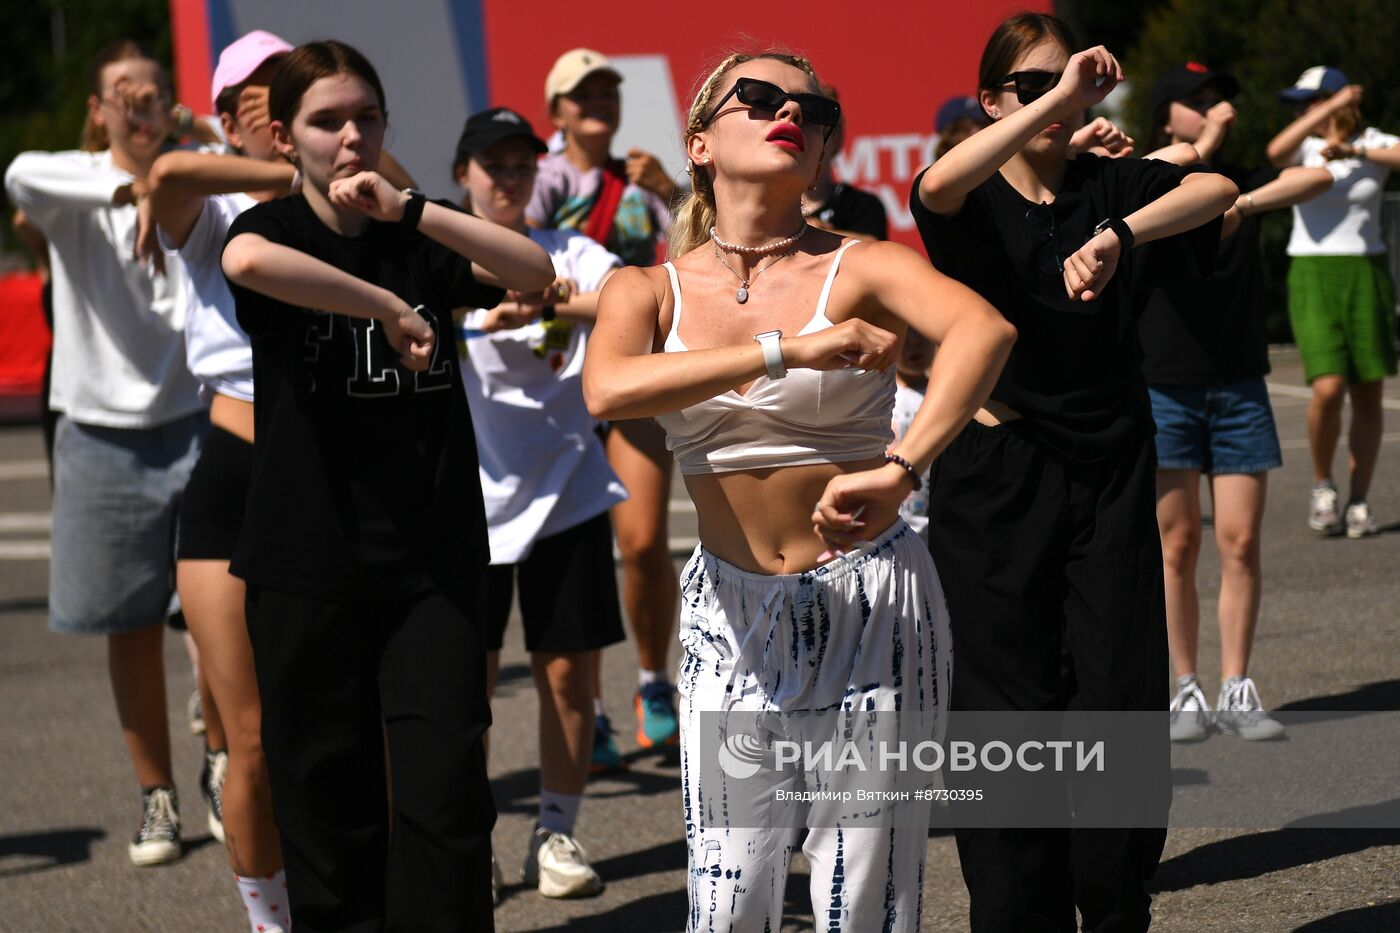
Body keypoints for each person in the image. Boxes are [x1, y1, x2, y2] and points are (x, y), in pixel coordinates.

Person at [583, 50, 1015, 931]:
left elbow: (983, 330)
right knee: (730, 890)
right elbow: (609, 389)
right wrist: (786, 349)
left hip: (873, 605)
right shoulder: (643, 288)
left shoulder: (861, 264)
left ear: (822, 157)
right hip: (728, 617)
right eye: (762, 97)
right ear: (699, 142)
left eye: (815, 112)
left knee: (863, 892)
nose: (793, 113)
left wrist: (902, 470)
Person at [911, 13, 1237, 932]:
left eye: (1072, 84)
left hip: (1110, 467)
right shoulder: (969, 197)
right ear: (991, 102)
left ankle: (1114, 893)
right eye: (1031, 86)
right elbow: (934, 185)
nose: (1058, 102)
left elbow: (1213, 186)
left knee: (1118, 693)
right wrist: (1060, 99)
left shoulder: (1106, 183)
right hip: (998, 475)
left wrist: (1119, 234)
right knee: (1005, 710)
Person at [220, 40, 554, 931]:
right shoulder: (269, 231)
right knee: (329, 808)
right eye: (326, 121)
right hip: (306, 562)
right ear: (286, 140)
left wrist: (412, 211)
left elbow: (534, 273)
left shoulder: (420, 236)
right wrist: (386, 306)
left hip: (431, 566)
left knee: (445, 792)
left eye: (366, 117)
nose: (351, 137)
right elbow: (250, 270)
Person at [5, 39, 207, 868]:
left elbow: (262, 172)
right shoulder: (68, 188)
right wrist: (143, 182)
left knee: (214, 609)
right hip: (97, 430)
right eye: (119, 92)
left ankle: (225, 762)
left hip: (199, 417)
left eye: (152, 91)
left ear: (172, 103)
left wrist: (184, 153)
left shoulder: (204, 172)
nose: (137, 103)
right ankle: (156, 795)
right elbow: (18, 172)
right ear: (97, 111)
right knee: (128, 626)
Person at [450, 106, 627, 900]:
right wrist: (485, 304)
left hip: (571, 491)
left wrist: (551, 303)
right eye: (493, 166)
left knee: (567, 678)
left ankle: (556, 831)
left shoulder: (571, 253)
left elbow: (633, 300)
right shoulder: (442, 257)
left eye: (522, 166)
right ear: (463, 175)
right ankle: (468, 837)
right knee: (466, 685)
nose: (508, 180)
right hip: (469, 502)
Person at [148, 29, 299, 929]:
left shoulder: (350, 191)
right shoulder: (210, 206)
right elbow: (164, 180)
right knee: (248, 736)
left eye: (292, 87)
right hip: (232, 474)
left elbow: (398, 184)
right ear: (225, 111)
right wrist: (286, 171)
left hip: (328, 473)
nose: (276, 105)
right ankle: (268, 918)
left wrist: (323, 163)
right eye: (258, 92)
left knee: (343, 722)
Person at [1140, 62, 1335, 744]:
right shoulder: (1148, 178)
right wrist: (1197, 155)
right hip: (1164, 382)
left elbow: (1320, 177)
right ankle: (1185, 687)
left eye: (1218, 98)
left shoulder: (1247, 178)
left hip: (1238, 383)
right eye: (1195, 101)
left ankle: (1237, 685)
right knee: (1177, 542)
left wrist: (1242, 203)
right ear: (1167, 117)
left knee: (1242, 541)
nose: (1213, 108)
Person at [526, 47, 683, 766]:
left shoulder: (640, 176)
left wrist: (675, 191)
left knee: (645, 543)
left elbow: (691, 253)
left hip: (632, 379)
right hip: (555, 388)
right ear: (556, 108)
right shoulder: (539, 178)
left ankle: (653, 683)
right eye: (582, 92)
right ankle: (585, 707)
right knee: (568, 560)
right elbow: (515, 263)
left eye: (607, 90)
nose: (598, 101)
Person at [1266, 67, 1399, 538]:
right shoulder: (1304, 147)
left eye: (1310, 101)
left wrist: (1355, 148)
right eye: (1302, 104)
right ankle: (1324, 486)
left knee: (1367, 390)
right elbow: (1275, 152)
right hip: (1313, 271)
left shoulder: (1376, 143)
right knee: (1327, 387)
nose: (1304, 111)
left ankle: (1360, 498)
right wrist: (1326, 110)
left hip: (1367, 270)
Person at [801, 86, 888, 240]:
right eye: (802, 130)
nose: (810, 143)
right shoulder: (773, 205)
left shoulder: (862, 205)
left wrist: (814, 233)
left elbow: (873, 246)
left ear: (837, 139)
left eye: (822, 133)